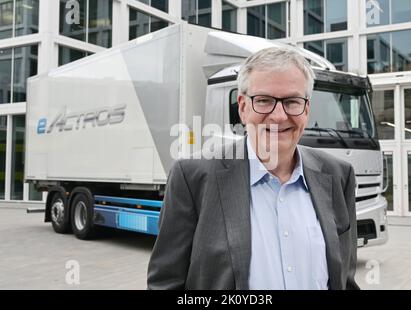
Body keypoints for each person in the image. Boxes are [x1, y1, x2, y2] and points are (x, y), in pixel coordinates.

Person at [147, 47, 359, 290]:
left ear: (307, 109)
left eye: (292, 101)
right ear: (243, 107)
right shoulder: (193, 177)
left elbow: (346, 280)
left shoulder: (338, 176)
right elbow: (165, 284)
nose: (279, 116)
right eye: (264, 101)